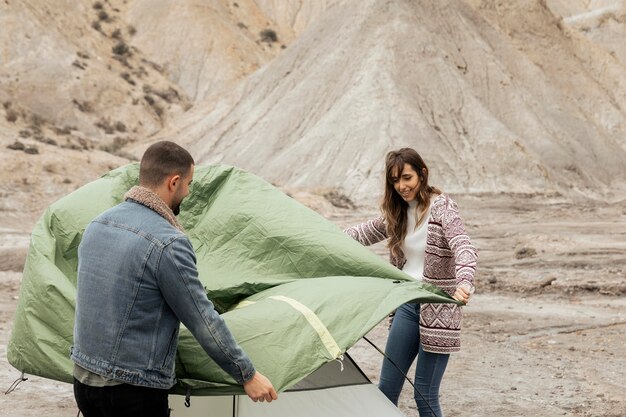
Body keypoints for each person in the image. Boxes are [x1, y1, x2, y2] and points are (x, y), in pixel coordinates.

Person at [71, 141, 277, 416]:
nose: (188, 192)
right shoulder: (167, 242)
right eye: (189, 184)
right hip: (131, 390)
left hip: (84, 382)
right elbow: (202, 319)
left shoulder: (98, 224)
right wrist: (247, 375)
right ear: (174, 182)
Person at [344, 148, 477, 417]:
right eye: (395, 180)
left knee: (424, 394)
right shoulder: (398, 212)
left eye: (407, 178)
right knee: (386, 391)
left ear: (422, 174)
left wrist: (465, 282)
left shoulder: (443, 209)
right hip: (407, 305)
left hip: (440, 309)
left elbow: (464, 246)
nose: (402, 186)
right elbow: (361, 233)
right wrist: (320, 235)